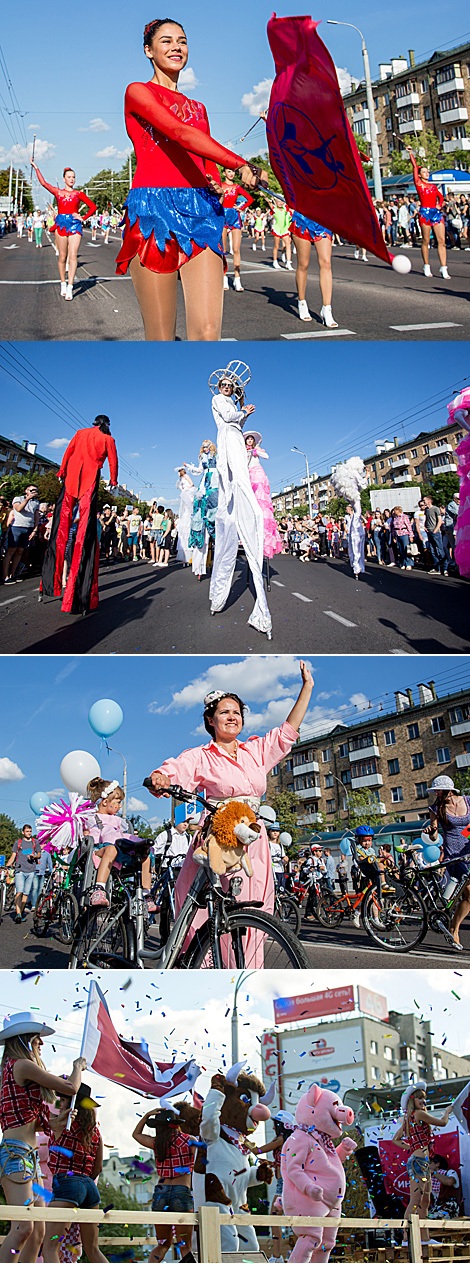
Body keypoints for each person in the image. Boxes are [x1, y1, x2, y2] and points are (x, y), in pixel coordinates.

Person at [147, 661, 314, 957]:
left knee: (253, 914)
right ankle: (209, 964)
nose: (232, 717)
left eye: (237, 712)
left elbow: (288, 732)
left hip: (254, 840)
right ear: (211, 720)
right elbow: (176, 769)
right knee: (218, 912)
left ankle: (247, 974)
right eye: (224, 712)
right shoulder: (201, 756)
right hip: (220, 841)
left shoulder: (255, 751)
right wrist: (161, 777)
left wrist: (307, 688)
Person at [116, 18, 263, 340]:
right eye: (166, 41)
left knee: (208, 331)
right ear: (148, 51)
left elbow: (204, 162)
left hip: (201, 209)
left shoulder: (199, 107)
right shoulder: (138, 92)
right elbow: (179, 133)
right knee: (160, 335)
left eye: (181, 41)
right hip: (154, 210)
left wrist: (224, 181)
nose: (176, 47)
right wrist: (240, 164)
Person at [0, 1011, 86, 1264]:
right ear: (26, 1040)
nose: (42, 1044)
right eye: (38, 1039)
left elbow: (26, 1120)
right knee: (23, 1228)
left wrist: (58, 1121)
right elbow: (71, 1087)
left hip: (27, 1154)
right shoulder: (22, 1065)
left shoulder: (10, 1070)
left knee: (38, 1232)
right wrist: (77, 1067)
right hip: (17, 1154)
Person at [209, 369, 272, 637]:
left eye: (229, 386)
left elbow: (238, 422)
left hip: (234, 439)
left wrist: (244, 413)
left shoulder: (234, 406)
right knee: (229, 483)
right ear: (218, 387)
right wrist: (242, 410)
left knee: (241, 483)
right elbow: (230, 417)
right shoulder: (219, 403)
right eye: (223, 385)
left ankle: (246, 507)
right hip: (227, 440)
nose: (226, 388)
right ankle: (218, 596)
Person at [41, 416, 118, 614]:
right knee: (83, 534)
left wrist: (62, 471)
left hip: (71, 478)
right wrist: (114, 480)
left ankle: (49, 582)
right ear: (107, 424)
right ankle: (78, 591)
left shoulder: (80, 433)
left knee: (60, 528)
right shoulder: (108, 439)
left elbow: (69, 451)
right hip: (89, 480)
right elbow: (113, 461)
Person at [42, 1083, 107, 1264]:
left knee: (49, 1247)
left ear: (71, 1103)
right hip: (89, 1186)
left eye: (63, 1100)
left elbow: (40, 1124)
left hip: (66, 1182)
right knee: (93, 1249)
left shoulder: (60, 1124)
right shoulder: (96, 1132)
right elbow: (98, 1168)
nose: (59, 1104)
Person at [132, 1105, 196, 1263]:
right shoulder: (190, 1140)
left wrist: (146, 1115)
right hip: (182, 1190)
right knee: (185, 1246)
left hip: (160, 1192)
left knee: (163, 1244)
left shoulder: (156, 1143)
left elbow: (136, 1134)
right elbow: (201, 1163)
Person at [393, 1082, 453, 1249]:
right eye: (420, 1098)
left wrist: (412, 1147)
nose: (423, 1101)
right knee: (415, 1200)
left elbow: (395, 1140)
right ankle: (406, 1237)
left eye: (424, 1099)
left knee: (425, 1201)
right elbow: (443, 1123)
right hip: (419, 1162)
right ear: (413, 1100)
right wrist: (447, 1112)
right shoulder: (418, 1114)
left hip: (422, 1161)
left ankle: (424, 1237)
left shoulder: (410, 1118)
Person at [86, 778, 156, 913]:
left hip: (119, 849)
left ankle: (146, 895)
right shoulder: (93, 818)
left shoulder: (119, 821)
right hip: (100, 849)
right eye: (117, 802)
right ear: (105, 802)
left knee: (145, 855)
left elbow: (122, 835)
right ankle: (99, 889)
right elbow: (89, 839)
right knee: (111, 849)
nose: (119, 806)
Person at [31, 163, 96, 300]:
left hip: (74, 225)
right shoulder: (58, 192)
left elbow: (93, 207)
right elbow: (43, 183)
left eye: (73, 177)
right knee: (62, 257)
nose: (72, 179)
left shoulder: (79, 194)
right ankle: (63, 283)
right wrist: (36, 167)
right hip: (61, 224)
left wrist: (83, 217)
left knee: (73, 255)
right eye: (69, 177)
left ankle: (70, 286)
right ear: (64, 179)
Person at [423, 775, 470, 949]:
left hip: (468, 851)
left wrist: (468, 836)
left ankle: (452, 924)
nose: (436, 793)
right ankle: (454, 929)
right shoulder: (436, 808)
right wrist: (432, 832)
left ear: (449, 790)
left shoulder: (467, 801)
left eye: (438, 790)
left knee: (468, 897)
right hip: (454, 856)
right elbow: (435, 835)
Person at [253, 1111, 295, 1263]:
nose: (272, 1127)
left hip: (284, 1182)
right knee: (285, 1217)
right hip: (285, 1181)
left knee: (275, 1216)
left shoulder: (281, 1139)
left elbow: (261, 1149)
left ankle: (277, 1255)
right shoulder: (289, 1141)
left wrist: (250, 1147)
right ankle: (282, 1255)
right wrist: (272, 1163)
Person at [406, 148, 449, 280]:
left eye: (427, 171)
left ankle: (443, 268)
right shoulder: (419, 184)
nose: (427, 173)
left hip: (435, 213)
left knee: (441, 241)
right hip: (424, 213)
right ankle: (426, 265)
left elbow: (441, 197)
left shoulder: (433, 186)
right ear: (419, 175)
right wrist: (410, 153)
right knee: (426, 240)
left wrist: (439, 205)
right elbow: (414, 166)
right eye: (424, 172)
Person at [289, 210, 337, 327]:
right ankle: (302, 302)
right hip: (302, 220)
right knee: (303, 264)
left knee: (326, 263)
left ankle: (327, 309)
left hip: (323, 221)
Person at [244, 431, 283, 559]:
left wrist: (256, 451)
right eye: (248, 439)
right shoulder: (243, 451)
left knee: (261, 501)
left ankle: (264, 533)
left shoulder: (256, 448)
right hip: (247, 476)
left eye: (251, 439)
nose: (249, 441)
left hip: (257, 475)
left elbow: (266, 456)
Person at [187, 441, 218, 579]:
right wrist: (190, 467)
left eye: (207, 446)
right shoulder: (203, 458)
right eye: (203, 447)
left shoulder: (217, 456)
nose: (205, 448)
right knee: (200, 507)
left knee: (215, 509)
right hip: (205, 482)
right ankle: (199, 567)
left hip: (215, 482)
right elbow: (200, 470)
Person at [220, 171, 253, 292]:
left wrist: (241, 208)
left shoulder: (237, 187)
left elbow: (250, 199)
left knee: (236, 249)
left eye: (233, 171)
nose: (231, 174)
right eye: (229, 171)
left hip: (234, 217)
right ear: (224, 173)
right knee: (223, 249)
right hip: (222, 215)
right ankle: (223, 277)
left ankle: (237, 278)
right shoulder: (221, 185)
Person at [2, 485, 40, 586]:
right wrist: (27, 499)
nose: (34, 492)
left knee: (20, 551)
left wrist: (35, 530)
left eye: (35, 491)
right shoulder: (18, 499)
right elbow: (18, 509)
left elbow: (36, 516)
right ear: (26, 491)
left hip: (28, 528)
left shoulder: (36, 503)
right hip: (16, 527)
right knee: (11, 551)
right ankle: (5, 576)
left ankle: (13, 574)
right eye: (31, 490)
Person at [5, 824, 41, 923]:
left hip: (31, 871)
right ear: (23, 832)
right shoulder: (18, 843)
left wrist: (34, 856)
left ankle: (20, 912)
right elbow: (13, 856)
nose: (29, 833)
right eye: (27, 831)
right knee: (19, 891)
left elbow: (39, 854)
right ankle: (18, 913)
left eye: (30, 831)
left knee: (25, 893)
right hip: (19, 870)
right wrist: (7, 866)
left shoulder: (35, 842)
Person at [175, 469, 194, 565]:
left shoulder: (186, 476)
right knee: (184, 514)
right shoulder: (181, 479)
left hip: (187, 495)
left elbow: (191, 484)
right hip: (184, 496)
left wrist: (187, 490)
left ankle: (190, 555)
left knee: (187, 513)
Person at [271, 204, 293, 270]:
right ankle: (275, 261)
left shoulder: (286, 209)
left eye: (281, 201)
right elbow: (269, 202)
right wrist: (264, 196)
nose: (280, 203)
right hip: (277, 229)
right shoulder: (274, 209)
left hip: (285, 229)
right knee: (276, 246)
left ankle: (288, 262)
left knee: (288, 245)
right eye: (278, 201)